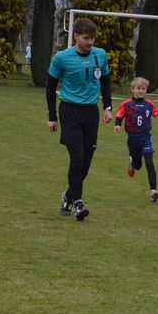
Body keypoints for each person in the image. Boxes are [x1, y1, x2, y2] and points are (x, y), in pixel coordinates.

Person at [46, 18, 113, 221]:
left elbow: (105, 82)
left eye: (93, 38)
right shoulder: (61, 58)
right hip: (69, 112)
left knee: (85, 163)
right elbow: (50, 87)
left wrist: (108, 108)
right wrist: (52, 117)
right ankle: (79, 204)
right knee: (76, 157)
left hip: (91, 114)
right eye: (86, 38)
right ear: (75, 36)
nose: (90, 42)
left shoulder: (100, 55)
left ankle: (68, 196)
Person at [113, 76, 158, 202]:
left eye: (143, 89)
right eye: (138, 88)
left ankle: (153, 191)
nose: (141, 91)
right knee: (138, 166)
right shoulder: (126, 104)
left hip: (145, 137)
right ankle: (132, 163)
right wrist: (117, 125)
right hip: (133, 139)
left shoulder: (149, 104)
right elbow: (119, 116)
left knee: (149, 162)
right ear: (132, 89)